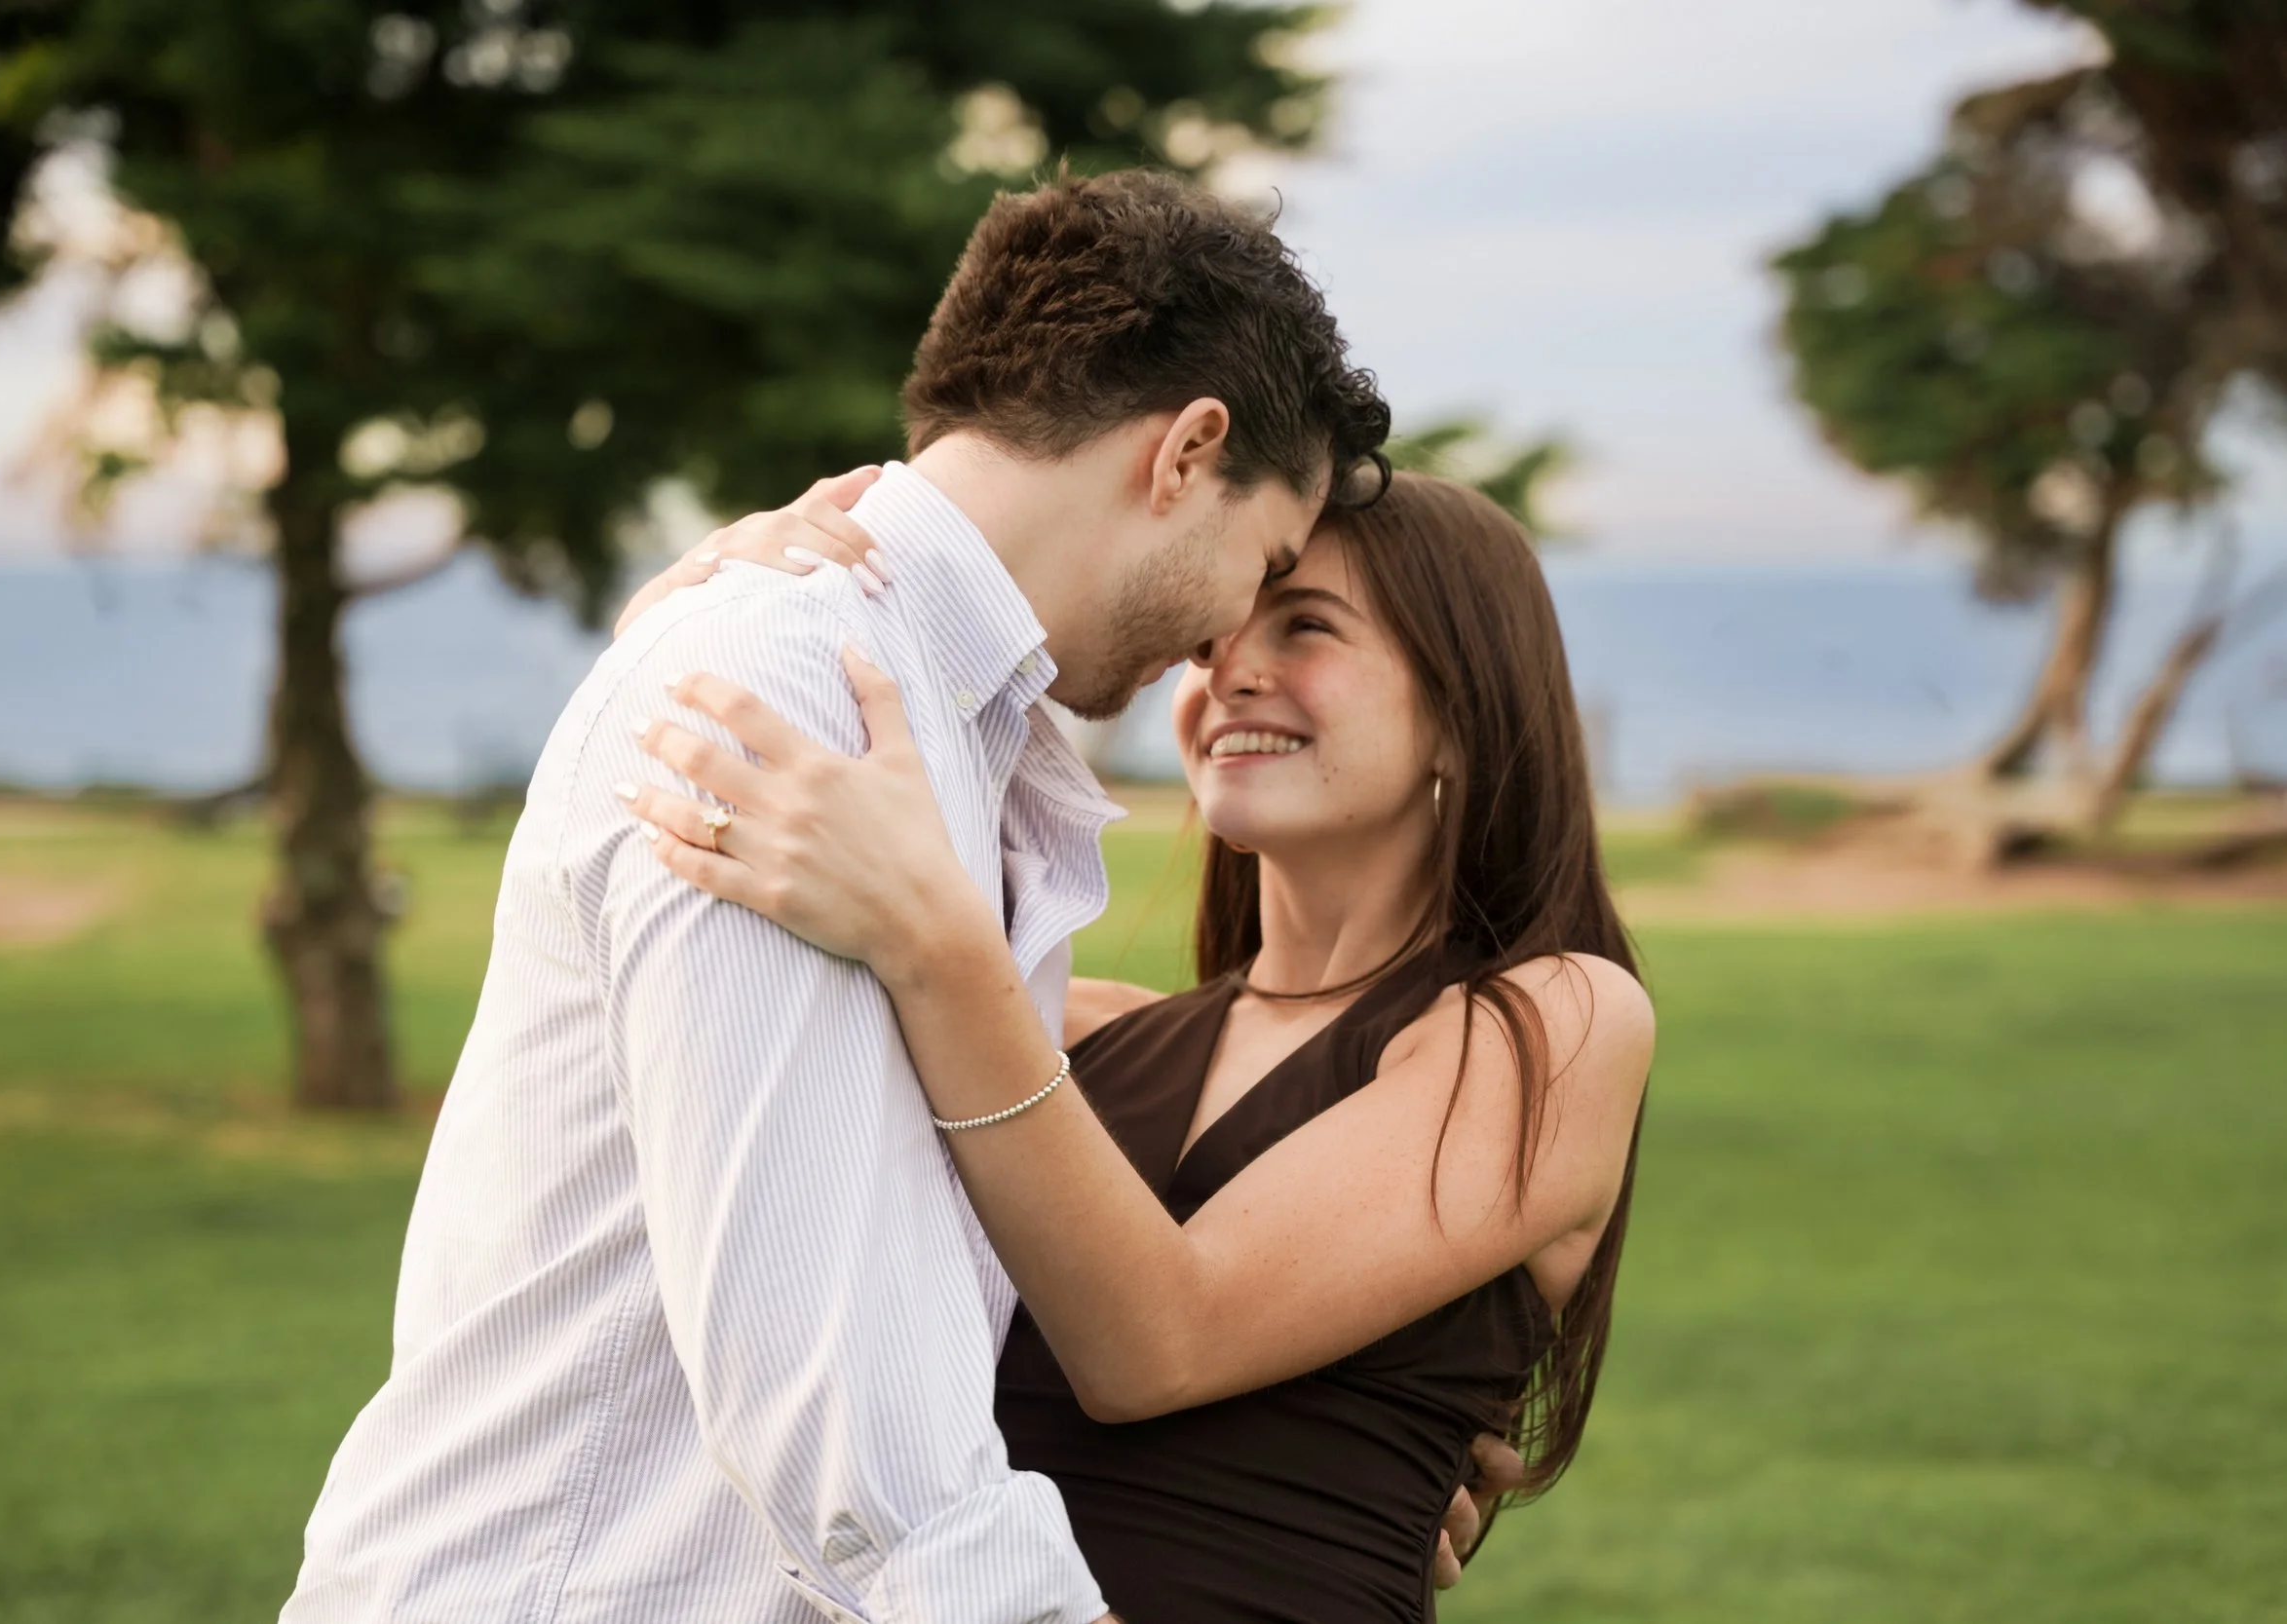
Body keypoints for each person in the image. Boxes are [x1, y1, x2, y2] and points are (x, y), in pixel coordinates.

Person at [279, 168, 1392, 1624]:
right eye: (1267, 561)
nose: (1226, 637)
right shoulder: (795, 692)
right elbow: (837, 1391)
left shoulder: (927, 722)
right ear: (1187, 451)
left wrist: (1346, 1446)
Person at [614, 471, 1655, 1621]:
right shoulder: (1063, 1034)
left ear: (1463, 709)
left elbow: (1158, 1343)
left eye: (1307, 626)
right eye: (1214, 638)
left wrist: (935, 938)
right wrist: (707, 604)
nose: (1229, 670)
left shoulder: (1555, 1021)